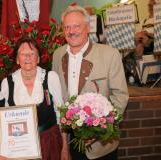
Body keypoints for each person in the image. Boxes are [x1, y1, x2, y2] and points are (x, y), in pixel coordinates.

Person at [52, 4, 129, 160]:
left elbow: (120, 96)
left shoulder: (110, 55)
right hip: (70, 139)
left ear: (87, 28)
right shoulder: (57, 55)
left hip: (102, 145)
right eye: (67, 27)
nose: (71, 31)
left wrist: (100, 129)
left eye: (76, 26)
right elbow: (58, 97)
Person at [1, 37, 69, 160]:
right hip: (19, 146)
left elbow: (61, 113)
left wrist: (64, 146)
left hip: (49, 142)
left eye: (32, 53)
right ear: (17, 59)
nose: (27, 57)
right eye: (23, 53)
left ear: (38, 59)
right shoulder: (7, 83)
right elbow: (4, 123)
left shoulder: (51, 77)